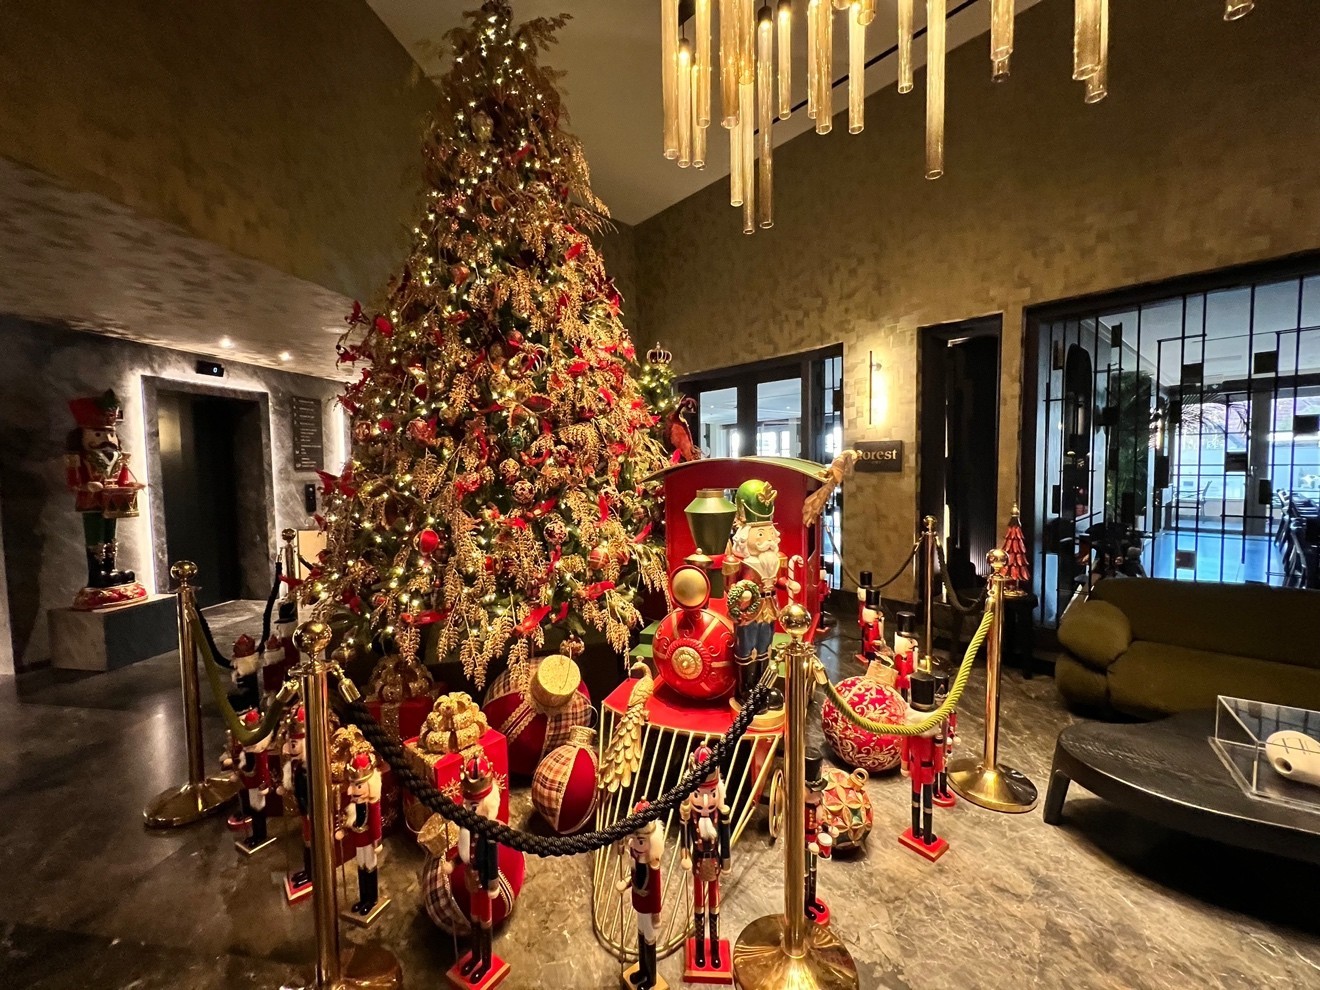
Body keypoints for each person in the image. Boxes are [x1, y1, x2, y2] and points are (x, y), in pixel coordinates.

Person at [722, 480, 800, 700]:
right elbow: (730, 587)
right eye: (760, 535)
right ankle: (744, 688)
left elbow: (778, 580)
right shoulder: (737, 561)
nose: (767, 540)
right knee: (746, 647)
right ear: (744, 537)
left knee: (765, 646)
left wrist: (788, 584)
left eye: (769, 534)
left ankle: (762, 687)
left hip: (770, 608)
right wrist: (742, 594)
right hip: (748, 612)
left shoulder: (775, 558)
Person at [680, 744, 730, 970]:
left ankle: (715, 949)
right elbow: (684, 837)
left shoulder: (721, 816)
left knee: (714, 907)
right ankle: (700, 949)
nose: (706, 801)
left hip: (715, 861)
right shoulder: (689, 817)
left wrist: (726, 862)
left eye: (711, 794)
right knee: (699, 907)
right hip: (698, 862)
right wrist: (685, 854)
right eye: (699, 795)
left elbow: (725, 840)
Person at [618, 801, 665, 990]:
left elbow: (656, 892)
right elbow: (636, 878)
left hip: (649, 909)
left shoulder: (653, 866)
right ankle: (643, 971)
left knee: (649, 940)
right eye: (634, 839)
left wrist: (657, 914)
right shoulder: (636, 860)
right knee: (641, 936)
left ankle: (650, 978)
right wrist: (626, 883)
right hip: (638, 904)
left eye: (640, 841)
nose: (633, 844)